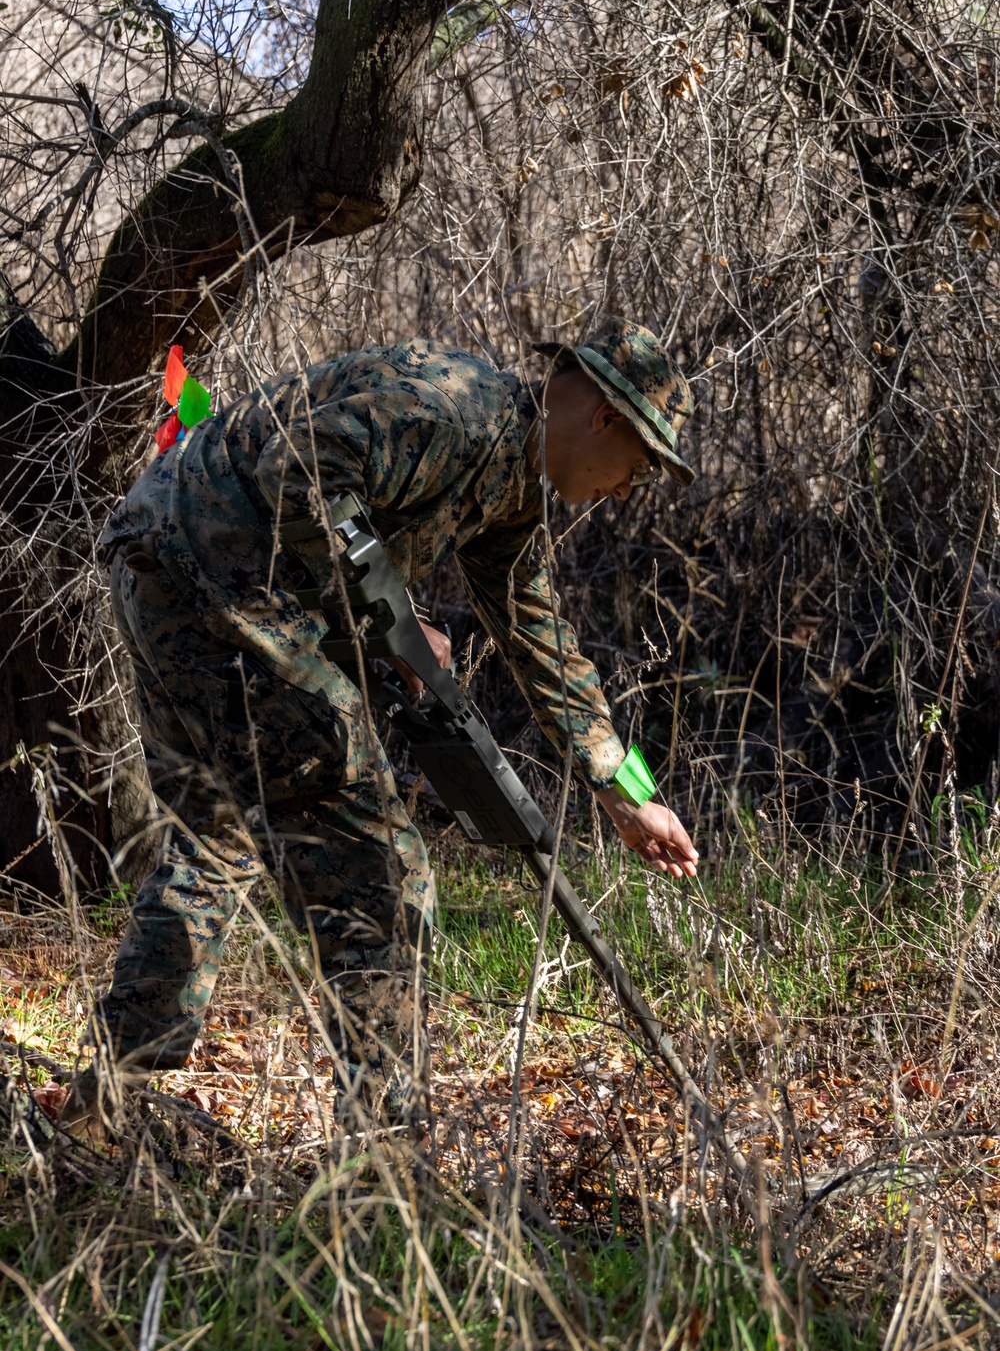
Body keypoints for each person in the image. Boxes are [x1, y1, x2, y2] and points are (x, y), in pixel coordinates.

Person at [59, 318, 699, 1138]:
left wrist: (626, 791)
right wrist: (390, 620)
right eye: (638, 467)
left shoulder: (514, 484)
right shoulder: (453, 414)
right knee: (382, 873)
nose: (626, 488)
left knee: (213, 844)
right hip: (219, 588)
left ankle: (101, 1110)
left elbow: (539, 636)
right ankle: (382, 1160)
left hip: (162, 564)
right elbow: (297, 470)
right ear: (604, 416)